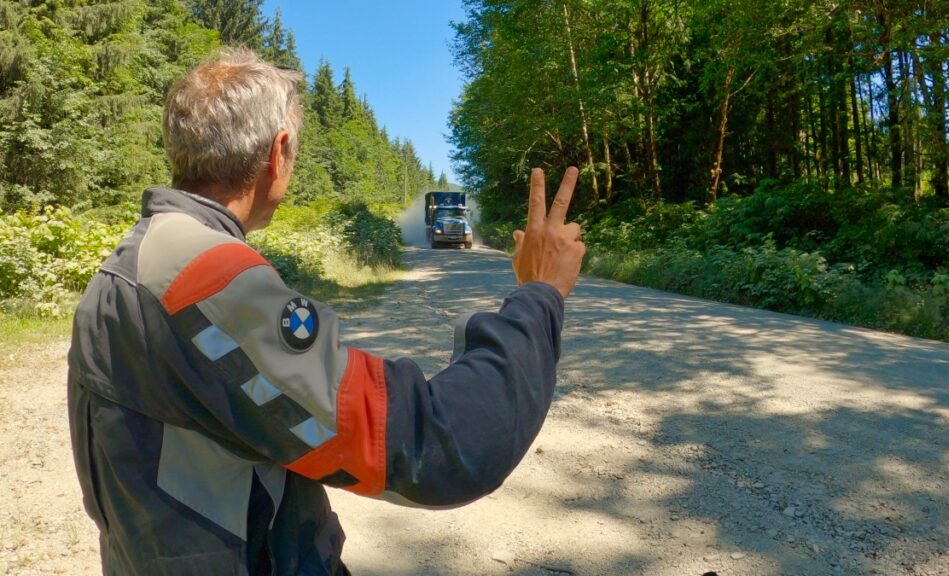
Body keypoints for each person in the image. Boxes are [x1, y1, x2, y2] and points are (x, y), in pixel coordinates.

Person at [66, 48, 585, 575]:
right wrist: (539, 295)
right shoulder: (202, 276)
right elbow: (440, 446)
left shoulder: (130, 262)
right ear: (279, 151)